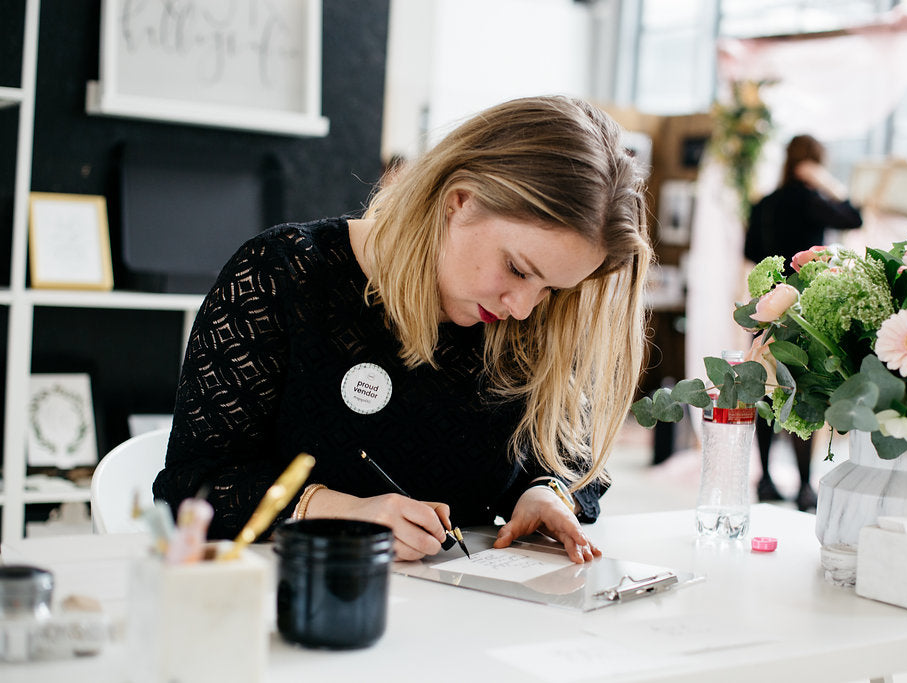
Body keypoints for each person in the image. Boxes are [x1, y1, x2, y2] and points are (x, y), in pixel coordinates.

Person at [153, 96, 653, 564]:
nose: (522, 308)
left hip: (469, 619)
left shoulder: (536, 316)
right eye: (519, 269)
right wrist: (343, 511)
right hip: (300, 601)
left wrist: (545, 492)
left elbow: (578, 455)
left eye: (552, 289)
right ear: (460, 201)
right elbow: (191, 486)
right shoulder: (283, 276)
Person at [743, 134, 863, 512]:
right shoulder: (811, 199)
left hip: (764, 307)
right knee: (802, 391)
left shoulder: (763, 203)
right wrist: (827, 182)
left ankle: (764, 480)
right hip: (802, 310)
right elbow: (853, 217)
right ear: (813, 163)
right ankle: (805, 487)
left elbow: (748, 252)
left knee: (764, 387)